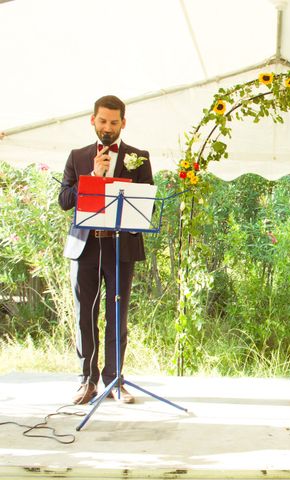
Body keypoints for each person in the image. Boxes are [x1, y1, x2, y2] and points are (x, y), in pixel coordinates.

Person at [58, 95, 153, 405]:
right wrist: (94, 179)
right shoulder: (77, 156)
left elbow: (144, 202)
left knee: (117, 315)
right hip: (85, 247)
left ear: (123, 123)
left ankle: (114, 379)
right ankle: (86, 380)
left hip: (119, 248)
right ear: (93, 120)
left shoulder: (139, 157)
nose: (108, 128)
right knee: (86, 315)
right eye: (102, 121)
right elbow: (64, 200)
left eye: (114, 122)